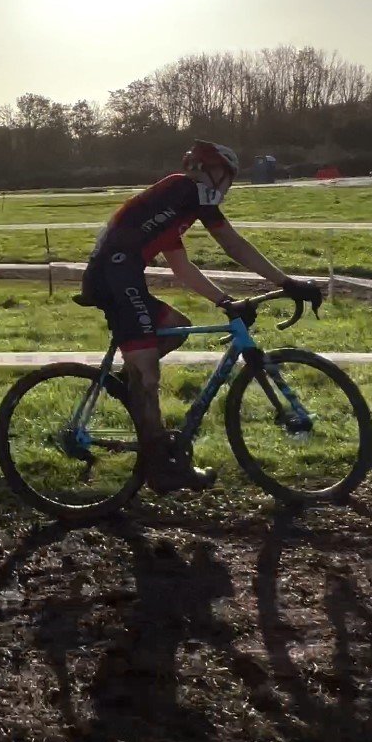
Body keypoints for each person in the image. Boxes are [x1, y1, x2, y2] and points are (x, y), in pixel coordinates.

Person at [79, 140, 318, 493]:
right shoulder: (185, 190)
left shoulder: (172, 206)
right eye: (226, 176)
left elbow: (181, 267)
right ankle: (159, 468)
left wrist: (224, 301)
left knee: (177, 329)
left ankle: (132, 389)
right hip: (115, 274)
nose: (228, 186)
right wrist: (286, 282)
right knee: (147, 373)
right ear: (207, 170)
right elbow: (231, 243)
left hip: (120, 272)